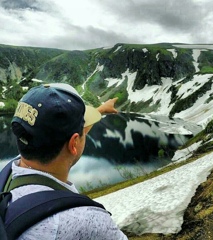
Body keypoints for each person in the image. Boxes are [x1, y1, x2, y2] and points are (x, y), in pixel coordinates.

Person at [9, 83, 128, 239]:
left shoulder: (9, 174)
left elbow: (74, 133)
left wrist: (101, 109)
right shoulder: (89, 222)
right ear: (74, 143)